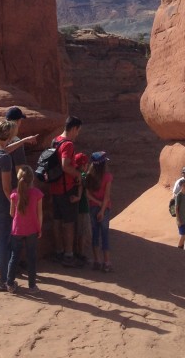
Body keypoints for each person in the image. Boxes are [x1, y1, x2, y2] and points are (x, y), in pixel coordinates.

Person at [0, 120, 38, 291]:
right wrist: (16, 204)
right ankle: (5, 280)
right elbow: (7, 188)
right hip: (0, 201)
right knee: (4, 239)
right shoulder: (5, 160)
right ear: (10, 135)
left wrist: (24, 140)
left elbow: (3, 148)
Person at [46, 116, 84, 267]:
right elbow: (65, 166)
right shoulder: (68, 144)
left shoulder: (55, 140)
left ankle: (59, 252)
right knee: (68, 223)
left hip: (54, 187)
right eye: (78, 131)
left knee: (57, 220)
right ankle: (69, 255)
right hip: (66, 189)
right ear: (74, 128)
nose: (78, 134)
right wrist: (79, 175)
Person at [7, 165, 44, 295]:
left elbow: (11, 213)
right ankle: (32, 286)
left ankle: (10, 283)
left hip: (17, 229)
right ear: (32, 178)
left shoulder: (14, 194)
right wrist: (39, 228)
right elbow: (39, 214)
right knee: (31, 257)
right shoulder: (37, 194)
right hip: (32, 229)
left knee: (14, 256)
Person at [85, 151, 113, 272]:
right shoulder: (107, 177)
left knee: (95, 234)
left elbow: (87, 194)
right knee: (105, 235)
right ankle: (106, 263)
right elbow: (107, 196)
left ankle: (97, 261)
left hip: (92, 207)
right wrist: (102, 209)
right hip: (104, 209)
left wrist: (96, 202)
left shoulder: (88, 176)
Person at [73, 152, 91, 265]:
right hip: (83, 207)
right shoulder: (83, 176)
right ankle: (81, 253)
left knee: (76, 230)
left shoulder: (73, 174)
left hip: (74, 207)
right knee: (82, 232)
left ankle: (76, 252)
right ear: (83, 165)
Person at [175, 180, 185, 250]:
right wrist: (178, 219)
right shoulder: (178, 195)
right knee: (183, 235)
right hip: (181, 219)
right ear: (181, 186)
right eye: (184, 185)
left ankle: (183, 248)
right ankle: (179, 248)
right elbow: (176, 208)